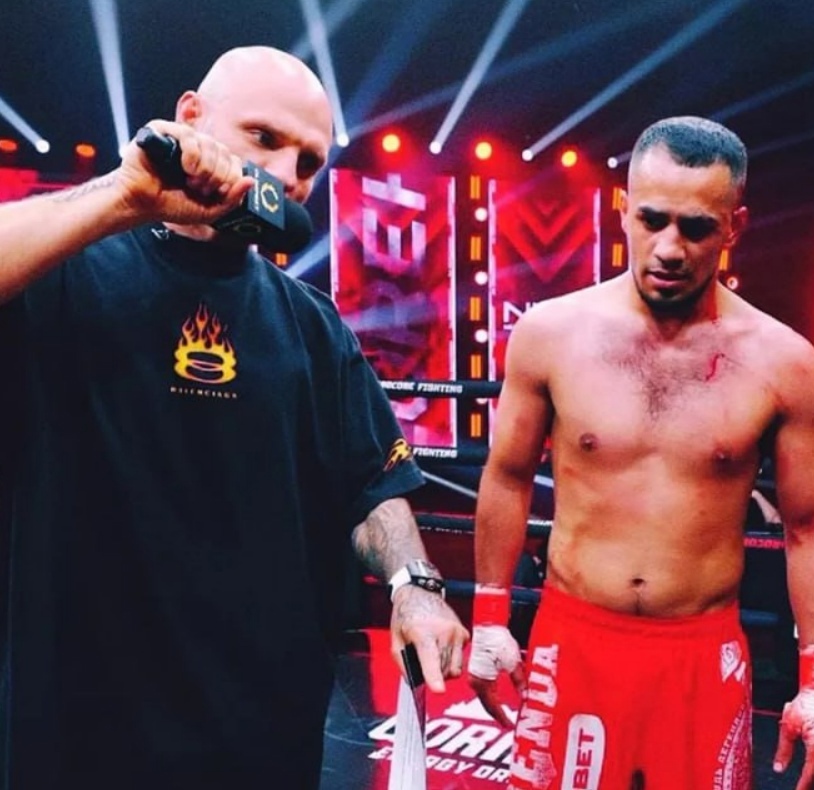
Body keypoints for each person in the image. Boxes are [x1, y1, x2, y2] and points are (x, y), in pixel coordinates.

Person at [0, 46, 468, 789]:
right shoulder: (66, 272)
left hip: (260, 729)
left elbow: (370, 485)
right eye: (263, 137)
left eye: (309, 162)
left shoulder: (311, 325)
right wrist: (127, 195)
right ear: (191, 116)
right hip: (78, 725)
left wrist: (414, 583)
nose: (285, 175)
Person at [466, 116, 814, 789]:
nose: (669, 248)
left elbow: (811, 524)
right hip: (573, 639)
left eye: (695, 228)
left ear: (733, 227)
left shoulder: (783, 362)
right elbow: (508, 475)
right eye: (652, 219)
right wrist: (491, 619)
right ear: (624, 210)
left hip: (700, 652)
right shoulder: (551, 334)